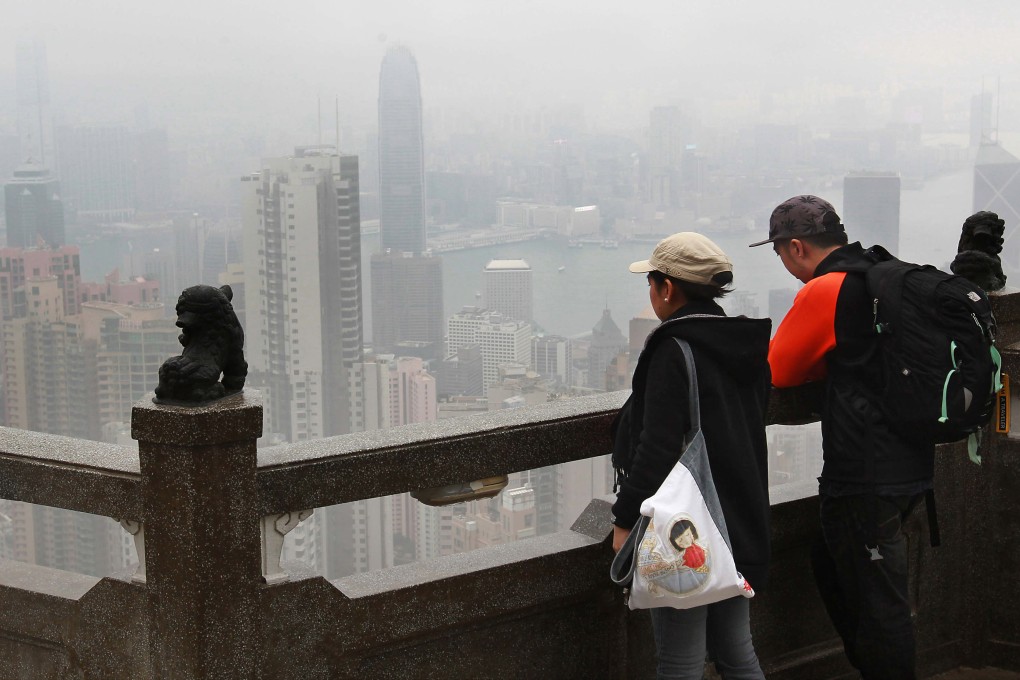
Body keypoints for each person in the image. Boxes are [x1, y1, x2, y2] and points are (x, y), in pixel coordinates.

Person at [751, 195, 932, 680]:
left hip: (864, 474)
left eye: (780, 254)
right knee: (839, 569)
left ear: (795, 247)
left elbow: (778, 371)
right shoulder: (881, 270)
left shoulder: (826, 289)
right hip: (912, 461)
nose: (786, 266)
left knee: (879, 608)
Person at [611, 232, 772, 680]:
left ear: (667, 288)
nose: (651, 292)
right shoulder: (747, 344)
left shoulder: (673, 348)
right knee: (737, 654)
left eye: (652, 282)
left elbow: (656, 450)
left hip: (687, 530)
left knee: (679, 662)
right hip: (740, 519)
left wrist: (624, 521)